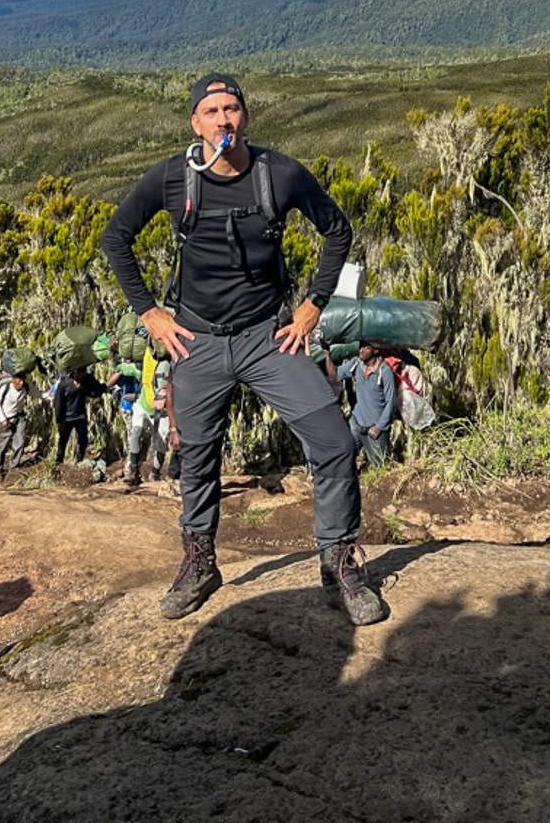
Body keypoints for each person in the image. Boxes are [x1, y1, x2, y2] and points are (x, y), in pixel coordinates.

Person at [102, 72, 385, 626]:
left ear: (246, 118)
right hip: (197, 340)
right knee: (198, 456)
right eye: (211, 111)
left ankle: (339, 560)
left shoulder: (278, 175)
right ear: (195, 122)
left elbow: (337, 231)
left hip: (267, 336)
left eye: (232, 109)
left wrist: (313, 305)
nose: (223, 120)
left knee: (331, 440)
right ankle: (200, 560)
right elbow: (117, 238)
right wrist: (150, 313)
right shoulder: (173, 178)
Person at [324, 342, 395, 468]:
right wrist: (327, 354)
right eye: (361, 347)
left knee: (380, 467)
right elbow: (335, 376)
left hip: (375, 428)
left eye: (366, 348)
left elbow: (390, 402)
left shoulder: (384, 371)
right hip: (357, 422)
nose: (361, 350)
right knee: (345, 455)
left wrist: (379, 426)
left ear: (376, 351)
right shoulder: (357, 364)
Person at [125, 351, 174, 486]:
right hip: (143, 403)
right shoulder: (147, 357)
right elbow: (131, 367)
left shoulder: (172, 365)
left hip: (163, 410)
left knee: (161, 442)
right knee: (136, 432)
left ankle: (155, 472)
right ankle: (134, 470)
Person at [51, 367, 109, 464]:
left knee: (83, 440)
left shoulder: (86, 381)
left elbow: (95, 392)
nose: (83, 375)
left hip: (80, 416)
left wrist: (104, 387)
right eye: (80, 373)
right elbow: (58, 403)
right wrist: (59, 420)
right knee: (63, 440)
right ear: (74, 372)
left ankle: (81, 460)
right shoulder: (64, 384)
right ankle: (58, 461)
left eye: (84, 373)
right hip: (67, 418)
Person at [0, 371, 40, 477]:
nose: (21, 382)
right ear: (13, 379)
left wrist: (51, 393)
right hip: (5, 419)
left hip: (19, 417)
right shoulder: (6, 388)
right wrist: (3, 419)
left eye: (23, 380)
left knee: (20, 441)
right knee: (2, 445)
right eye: (19, 379)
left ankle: (14, 466)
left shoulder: (26, 387)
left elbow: (38, 394)